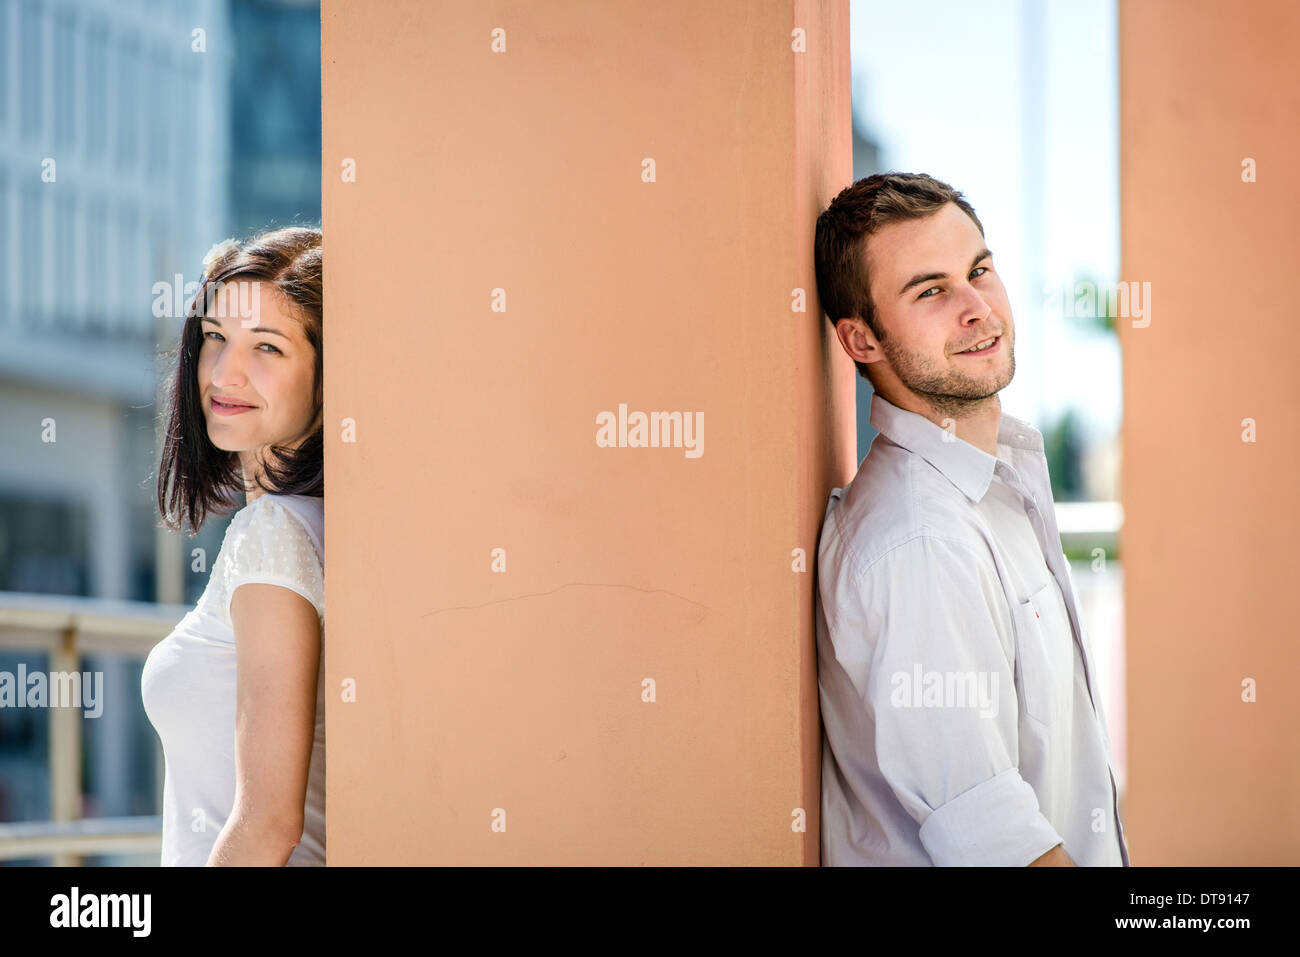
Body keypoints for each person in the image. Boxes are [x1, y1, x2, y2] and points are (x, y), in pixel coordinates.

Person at [812, 173, 1129, 866]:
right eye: (930, 290)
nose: (976, 306)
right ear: (861, 340)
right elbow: (997, 839)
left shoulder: (992, 485)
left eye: (979, 270)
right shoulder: (919, 540)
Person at [143, 226, 326, 866]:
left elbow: (269, 825)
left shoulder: (271, 534)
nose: (226, 371)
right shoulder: (314, 525)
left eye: (268, 348)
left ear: (329, 381)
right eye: (216, 338)